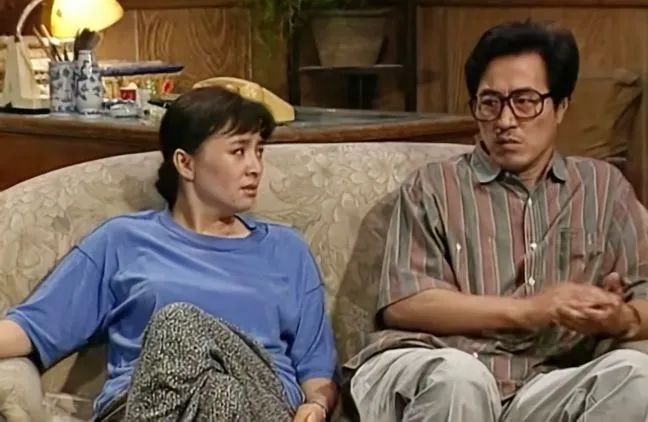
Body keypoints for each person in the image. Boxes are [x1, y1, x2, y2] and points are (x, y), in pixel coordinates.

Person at [344, 19, 648, 422]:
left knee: (637, 376)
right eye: (490, 103)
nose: (505, 121)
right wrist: (531, 310)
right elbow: (406, 303)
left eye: (524, 101)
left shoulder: (603, 188)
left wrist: (622, 319)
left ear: (561, 107)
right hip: (440, 364)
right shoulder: (435, 185)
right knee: (462, 380)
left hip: (544, 385)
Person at [0, 87, 338, 421]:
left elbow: (316, 365)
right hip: (135, 402)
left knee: (190, 337)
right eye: (238, 151)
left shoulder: (286, 250)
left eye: (259, 151)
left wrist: (317, 405)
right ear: (185, 163)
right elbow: (35, 326)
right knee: (212, 381)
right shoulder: (123, 241)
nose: (255, 167)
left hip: (261, 406)